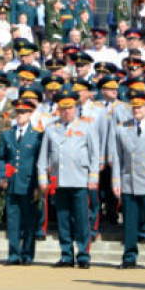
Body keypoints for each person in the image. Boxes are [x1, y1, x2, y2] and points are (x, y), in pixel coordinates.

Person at [37, 90, 99, 269]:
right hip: (59, 180)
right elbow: (43, 157)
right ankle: (66, 254)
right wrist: (43, 179)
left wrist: (93, 177)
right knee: (63, 219)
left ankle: (83, 254)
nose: (67, 112)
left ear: (75, 108)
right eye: (63, 109)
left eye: (70, 108)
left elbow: (94, 155)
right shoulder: (51, 128)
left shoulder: (86, 127)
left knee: (81, 219)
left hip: (80, 179)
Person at [111, 90, 145, 270]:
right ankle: (129, 256)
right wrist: (116, 181)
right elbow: (117, 157)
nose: (137, 110)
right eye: (134, 107)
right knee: (130, 224)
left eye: (140, 107)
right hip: (129, 181)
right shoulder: (122, 127)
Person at [0, 97, 43, 266]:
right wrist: (2, 175)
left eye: (24, 112)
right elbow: (1, 157)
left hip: (29, 183)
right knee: (13, 221)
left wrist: (39, 184)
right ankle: (14, 254)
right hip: (11, 183)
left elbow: (40, 161)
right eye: (18, 112)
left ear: (30, 114)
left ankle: (28, 254)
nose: (20, 115)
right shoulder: (7, 134)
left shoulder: (37, 135)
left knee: (29, 221)